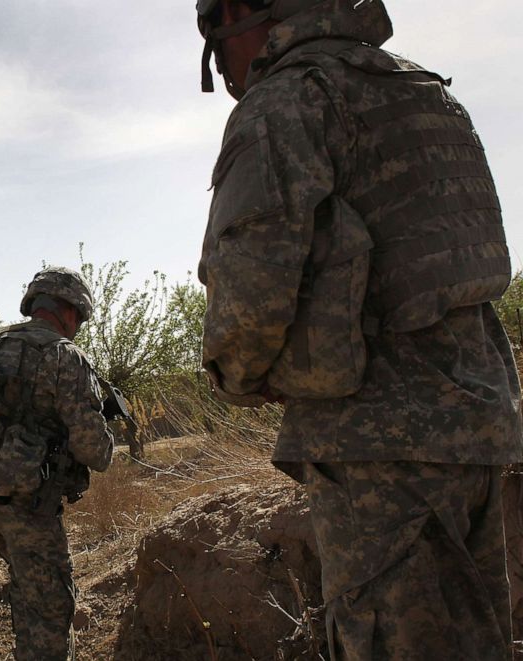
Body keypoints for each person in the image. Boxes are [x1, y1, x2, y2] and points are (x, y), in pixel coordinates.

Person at [196, 0, 522, 658]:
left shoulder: (286, 101)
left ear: (240, 13)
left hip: (379, 459)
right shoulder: (431, 96)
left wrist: (237, 375)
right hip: (481, 435)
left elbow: (251, 295)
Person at [0, 267, 115, 660]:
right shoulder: (65, 355)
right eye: (80, 318)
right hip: (24, 504)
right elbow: (94, 451)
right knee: (50, 608)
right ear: (69, 310)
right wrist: (109, 437)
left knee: (28, 580)